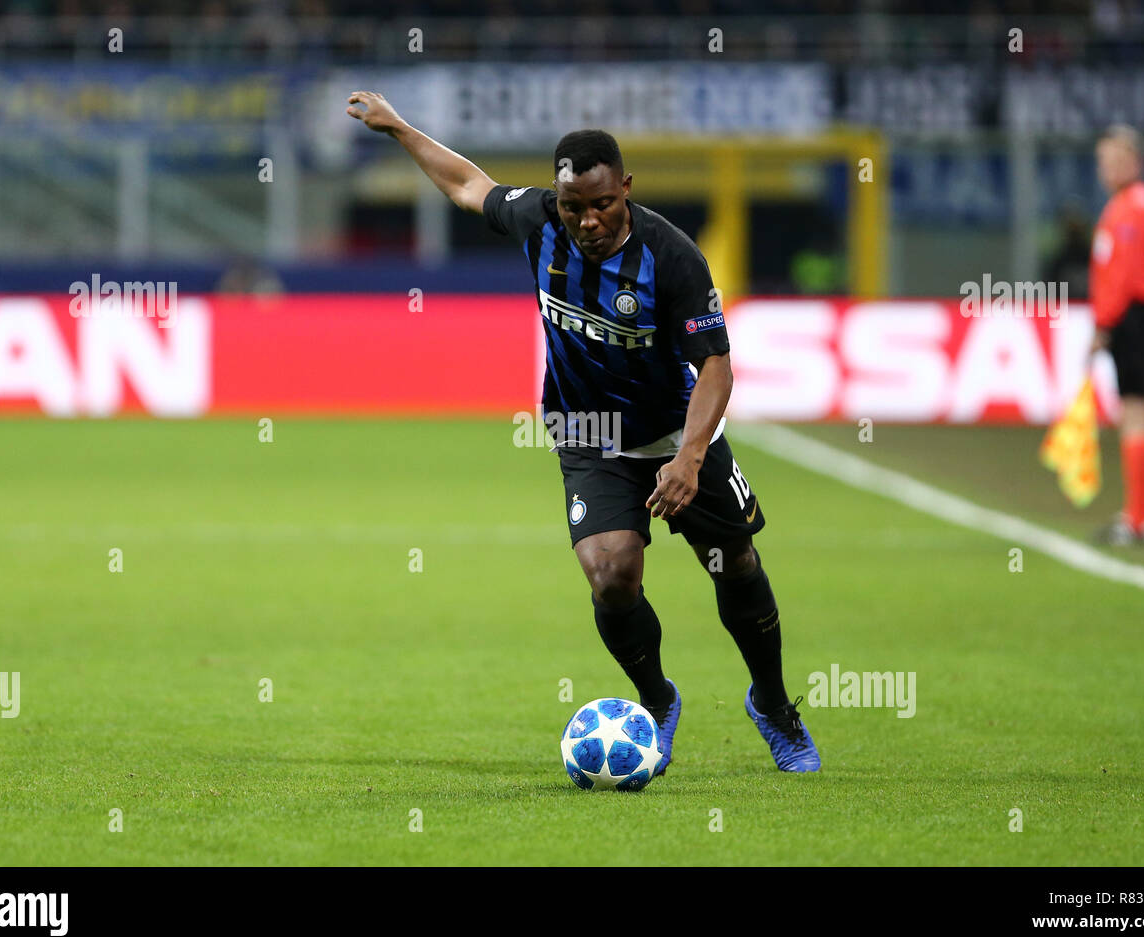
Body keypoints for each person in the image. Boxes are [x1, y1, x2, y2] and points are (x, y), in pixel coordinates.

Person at [347, 90, 820, 774]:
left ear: (624, 188)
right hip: (588, 434)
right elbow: (466, 184)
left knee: (734, 563)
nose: (588, 220)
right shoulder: (538, 222)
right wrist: (398, 129)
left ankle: (773, 704)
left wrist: (688, 459)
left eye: (601, 203)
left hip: (674, 436)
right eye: (574, 207)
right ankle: (656, 701)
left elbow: (715, 365)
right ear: (558, 199)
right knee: (610, 577)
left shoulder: (672, 258)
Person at [1089, 125, 1144, 545]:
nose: (1108, 167)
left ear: (1137, 163)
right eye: (1105, 160)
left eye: (1117, 159)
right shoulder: (1128, 204)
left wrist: (1103, 323)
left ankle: (1139, 517)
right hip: (1138, 313)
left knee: (1135, 411)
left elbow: (1122, 275)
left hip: (1135, 315)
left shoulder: (1133, 206)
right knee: (1139, 410)